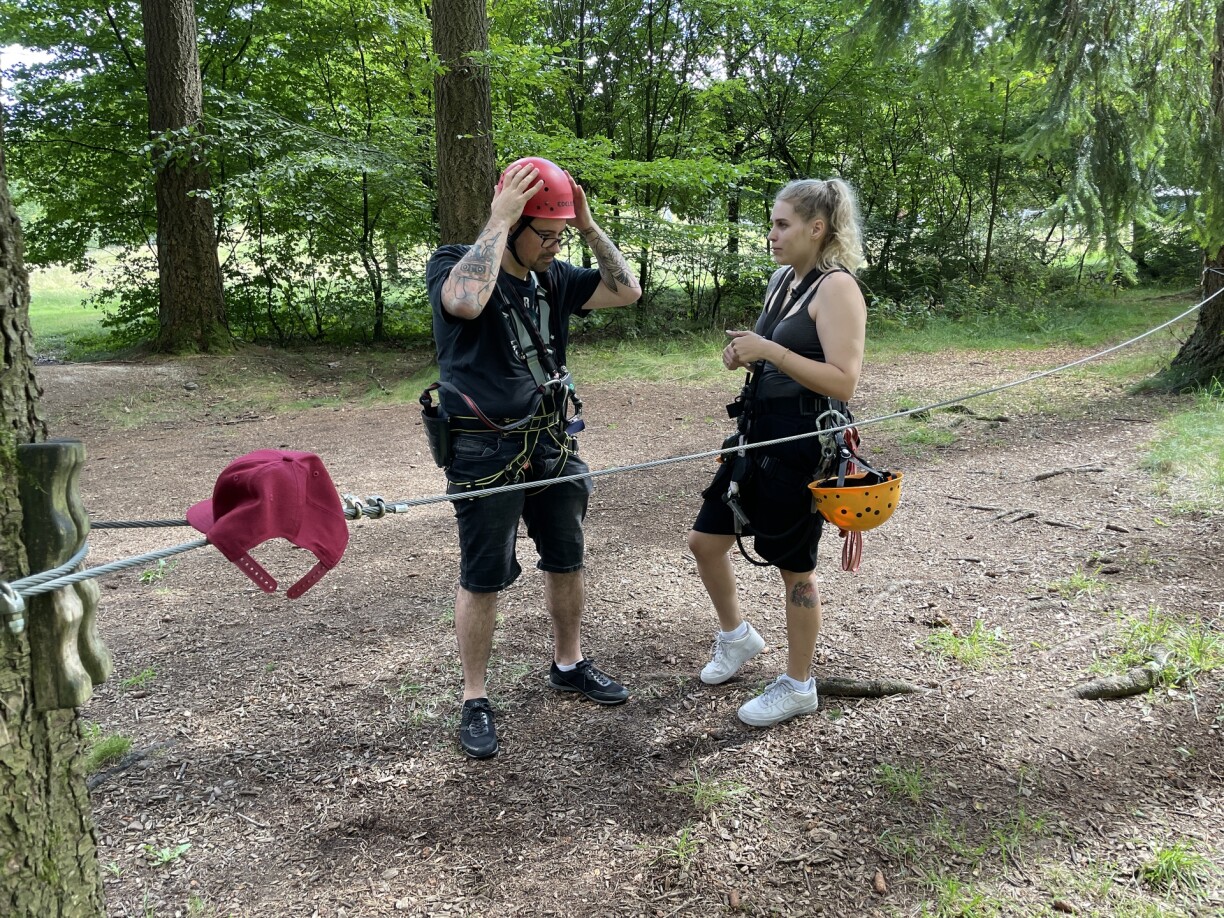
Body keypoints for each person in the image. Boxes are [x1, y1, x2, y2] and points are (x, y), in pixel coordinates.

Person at [425, 156, 642, 759]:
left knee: (567, 559)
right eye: (544, 234)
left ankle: (568, 663)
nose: (554, 246)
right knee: (483, 575)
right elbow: (464, 304)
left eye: (560, 235)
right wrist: (498, 220)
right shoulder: (454, 264)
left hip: (552, 440)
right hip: (483, 447)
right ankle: (474, 697)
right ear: (514, 220)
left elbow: (627, 291)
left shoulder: (556, 277)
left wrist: (588, 227)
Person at [688, 178, 867, 728]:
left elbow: (844, 381)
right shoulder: (782, 281)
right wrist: (746, 353)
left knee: (797, 571)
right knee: (705, 541)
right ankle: (737, 637)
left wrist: (768, 349)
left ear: (817, 228)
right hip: (755, 435)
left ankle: (799, 685)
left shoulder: (837, 289)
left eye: (783, 224)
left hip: (802, 446)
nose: (772, 234)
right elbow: (777, 354)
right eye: (772, 223)